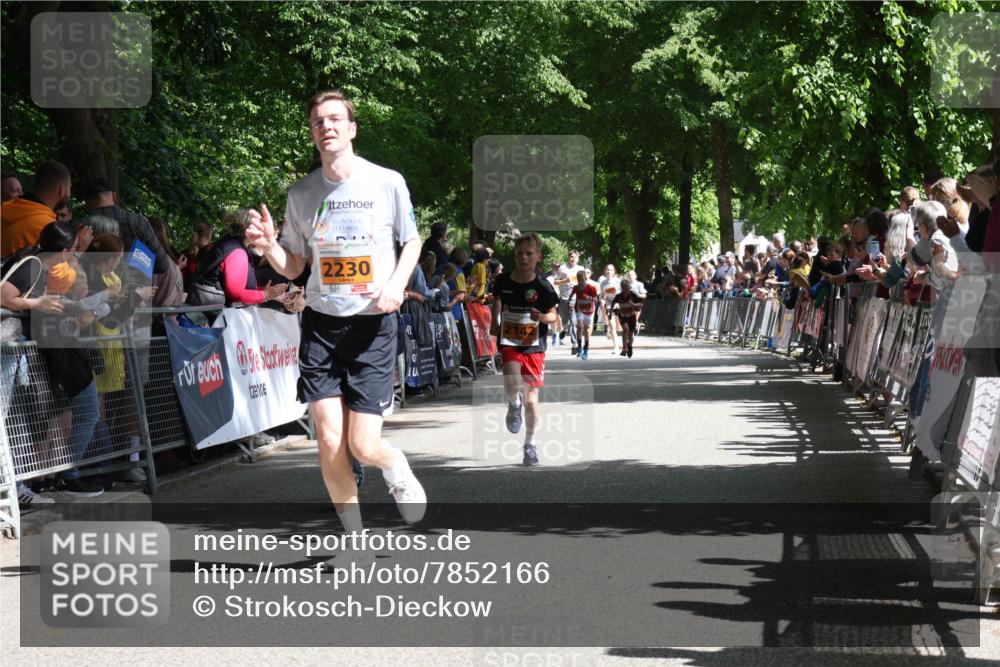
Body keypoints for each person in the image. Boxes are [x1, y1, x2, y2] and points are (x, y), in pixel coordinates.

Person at [245, 89, 426, 535]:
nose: (325, 126)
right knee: (327, 438)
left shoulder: (387, 182)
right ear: (312, 134)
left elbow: (413, 241)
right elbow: (295, 265)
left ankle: (395, 464)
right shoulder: (302, 193)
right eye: (316, 122)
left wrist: (396, 285)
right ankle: (354, 537)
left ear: (351, 129)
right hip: (322, 324)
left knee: (363, 446)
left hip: (372, 325)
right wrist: (269, 247)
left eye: (333, 119)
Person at [1, 221, 104, 496]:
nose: (73, 256)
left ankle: (40, 481)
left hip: (30, 352)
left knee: (51, 419)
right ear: (63, 251)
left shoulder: (47, 267)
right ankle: (25, 485)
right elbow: (3, 296)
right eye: (72, 251)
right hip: (14, 352)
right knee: (24, 423)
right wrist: (37, 303)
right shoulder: (33, 264)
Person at [490, 233, 558, 466]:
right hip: (509, 339)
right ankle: (513, 404)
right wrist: (494, 320)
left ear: (538, 257)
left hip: (534, 345)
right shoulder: (503, 280)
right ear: (515, 255)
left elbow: (554, 317)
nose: (524, 257)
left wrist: (542, 317)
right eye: (520, 253)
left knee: (532, 399)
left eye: (529, 253)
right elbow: (497, 299)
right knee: (511, 381)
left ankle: (530, 444)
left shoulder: (543, 286)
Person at [189, 209, 286, 307]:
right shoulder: (237, 252)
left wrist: (267, 292)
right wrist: (265, 294)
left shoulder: (231, 243)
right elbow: (235, 293)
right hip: (214, 315)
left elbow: (240, 287)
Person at [554, 250, 584, 353]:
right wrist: (564, 281)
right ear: (568, 257)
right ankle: (565, 329)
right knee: (565, 321)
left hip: (575, 298)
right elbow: (555, 282)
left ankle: (575, 344)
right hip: (563, 298)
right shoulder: (563, 268)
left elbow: (584, 283)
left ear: (578, 258)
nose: (573, 259)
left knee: (574, 321)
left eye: (575, 257)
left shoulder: (580, 269)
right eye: (571, 257)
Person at [611, 278, 644, 358]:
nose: (626, 291)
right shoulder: (618, 296)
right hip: (622, 315)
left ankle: (629, 346)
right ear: (622, 288)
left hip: (631, 316)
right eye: (624, 288)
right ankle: (624, 347)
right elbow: (613, 304)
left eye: (628, 288)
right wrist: (611, 312)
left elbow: (641, 305)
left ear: (629, 288)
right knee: (625, 329)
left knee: (630, 334)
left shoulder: (633, 295)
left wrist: (633, 304)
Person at [571, 269, 598, 360]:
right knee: (580, 326)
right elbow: (571, 296)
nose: (581, 281)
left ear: (585, 278)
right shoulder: (576, 287)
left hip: (589, 311)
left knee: (586, 330)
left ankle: (585, 349)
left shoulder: (591, 288)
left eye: (582, 279)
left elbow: (596, 300)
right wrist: (569, 302)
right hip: (579, 310)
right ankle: (579, 348)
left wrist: (589, 297)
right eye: (579, 279)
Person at [598, 264, 622, 354]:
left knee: (619, 328)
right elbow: (601, 296)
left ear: (614, 271)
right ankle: (616, 346)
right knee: (612, 326)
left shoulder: (618, 281)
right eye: (607, 269)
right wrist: (602, 300)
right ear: (605, 271)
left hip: (618, 304)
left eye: (611, 270)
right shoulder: (603, 283)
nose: (609, 271)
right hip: (609, 305)